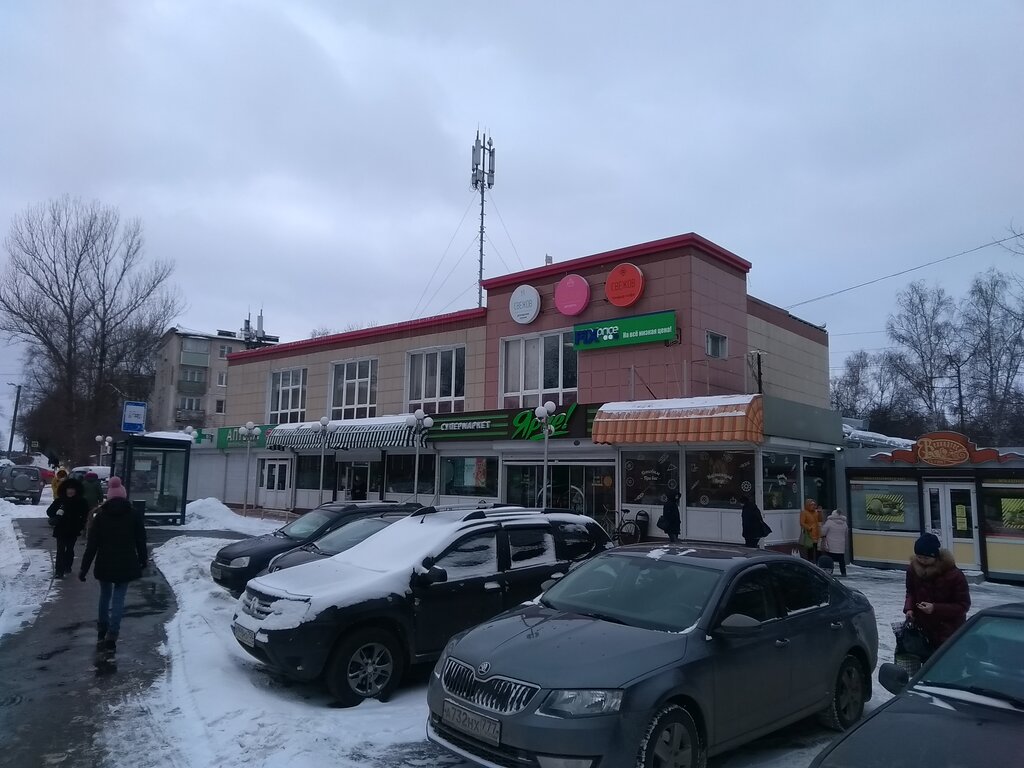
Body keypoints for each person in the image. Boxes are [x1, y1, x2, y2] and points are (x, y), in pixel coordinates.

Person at [79, 476, 148, 659]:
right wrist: (143, 561)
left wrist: (83, 569)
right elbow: (141, 540)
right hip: (126, 563)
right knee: (119, 598)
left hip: (105, 563)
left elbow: (92, 545)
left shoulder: (100, 516)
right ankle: (112, 635)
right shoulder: (134, 515)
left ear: (108, 497)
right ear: (124, 496)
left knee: (104, 595)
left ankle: (102, 629)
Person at [903, 532, 970, 654]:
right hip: (922, 630)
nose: (922, 561)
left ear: (936, 556)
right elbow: (910, 591)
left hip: (948, 631)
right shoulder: (913, 570)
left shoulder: (954, 575)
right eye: (919, 557)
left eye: (926, 558)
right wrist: (909, 609)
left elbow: (963, 605)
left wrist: (935, 608)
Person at [46, 478, 89, 578]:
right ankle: (59, 572)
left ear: (76, 490)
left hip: (73, 530)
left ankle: (67, 566)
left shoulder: (81, 502)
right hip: (60, 529)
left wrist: (81, 525)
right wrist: (57, 512)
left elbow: (85, 515)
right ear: (65, 489)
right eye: (68, 489)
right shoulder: (59, 501)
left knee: (69, 549)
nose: (70, 491)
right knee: (60, 550)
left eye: (72, 489)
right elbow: (49, 512)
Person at [819, 509, 850, 576]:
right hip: (841, 545)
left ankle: (829, 572)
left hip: (831, 545)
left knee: (830, 559)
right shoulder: (844, 523)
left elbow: (822, 532)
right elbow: (846, 534)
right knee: (841, 560)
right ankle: (843, 572)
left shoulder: (829, 522)